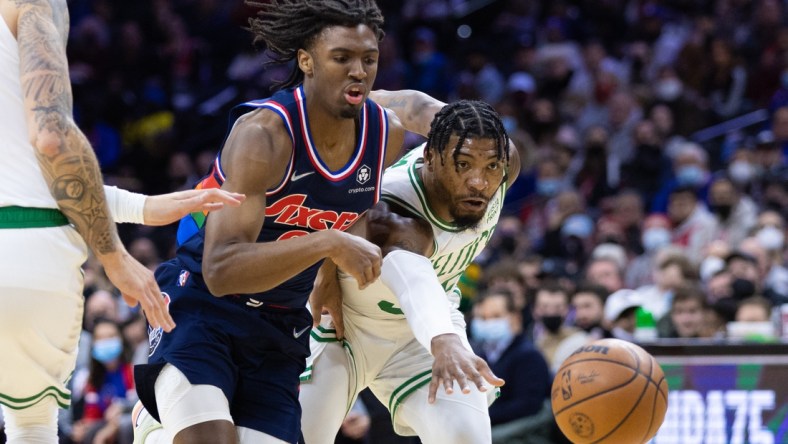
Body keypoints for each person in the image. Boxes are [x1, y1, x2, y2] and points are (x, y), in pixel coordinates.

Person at [132, 2, 414, 443]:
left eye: (369, 59)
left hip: (280, 328)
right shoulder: (263, 133)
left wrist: (328, 278)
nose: (358, 71)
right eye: (342, 58)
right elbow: (222, 271)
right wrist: (328, 244)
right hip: (203, 306)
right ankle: (159, 416)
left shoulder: (386, 134)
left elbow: (346, 204)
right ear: (307, 60)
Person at [0, 2, 242, 443]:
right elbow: (51, 138)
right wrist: (113, 255)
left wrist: (143, 207)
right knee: (30, 425)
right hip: (25, 252)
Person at [299, 99, 517, 444]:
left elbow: (413, 103)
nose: (479, 182)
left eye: (492, 167)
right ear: (430, 157)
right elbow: (412, 276)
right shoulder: (392, 210)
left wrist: (443, 338)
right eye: (462, 165)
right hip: (345, 325)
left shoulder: (497, 154)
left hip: (420, 337)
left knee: (466, 437)